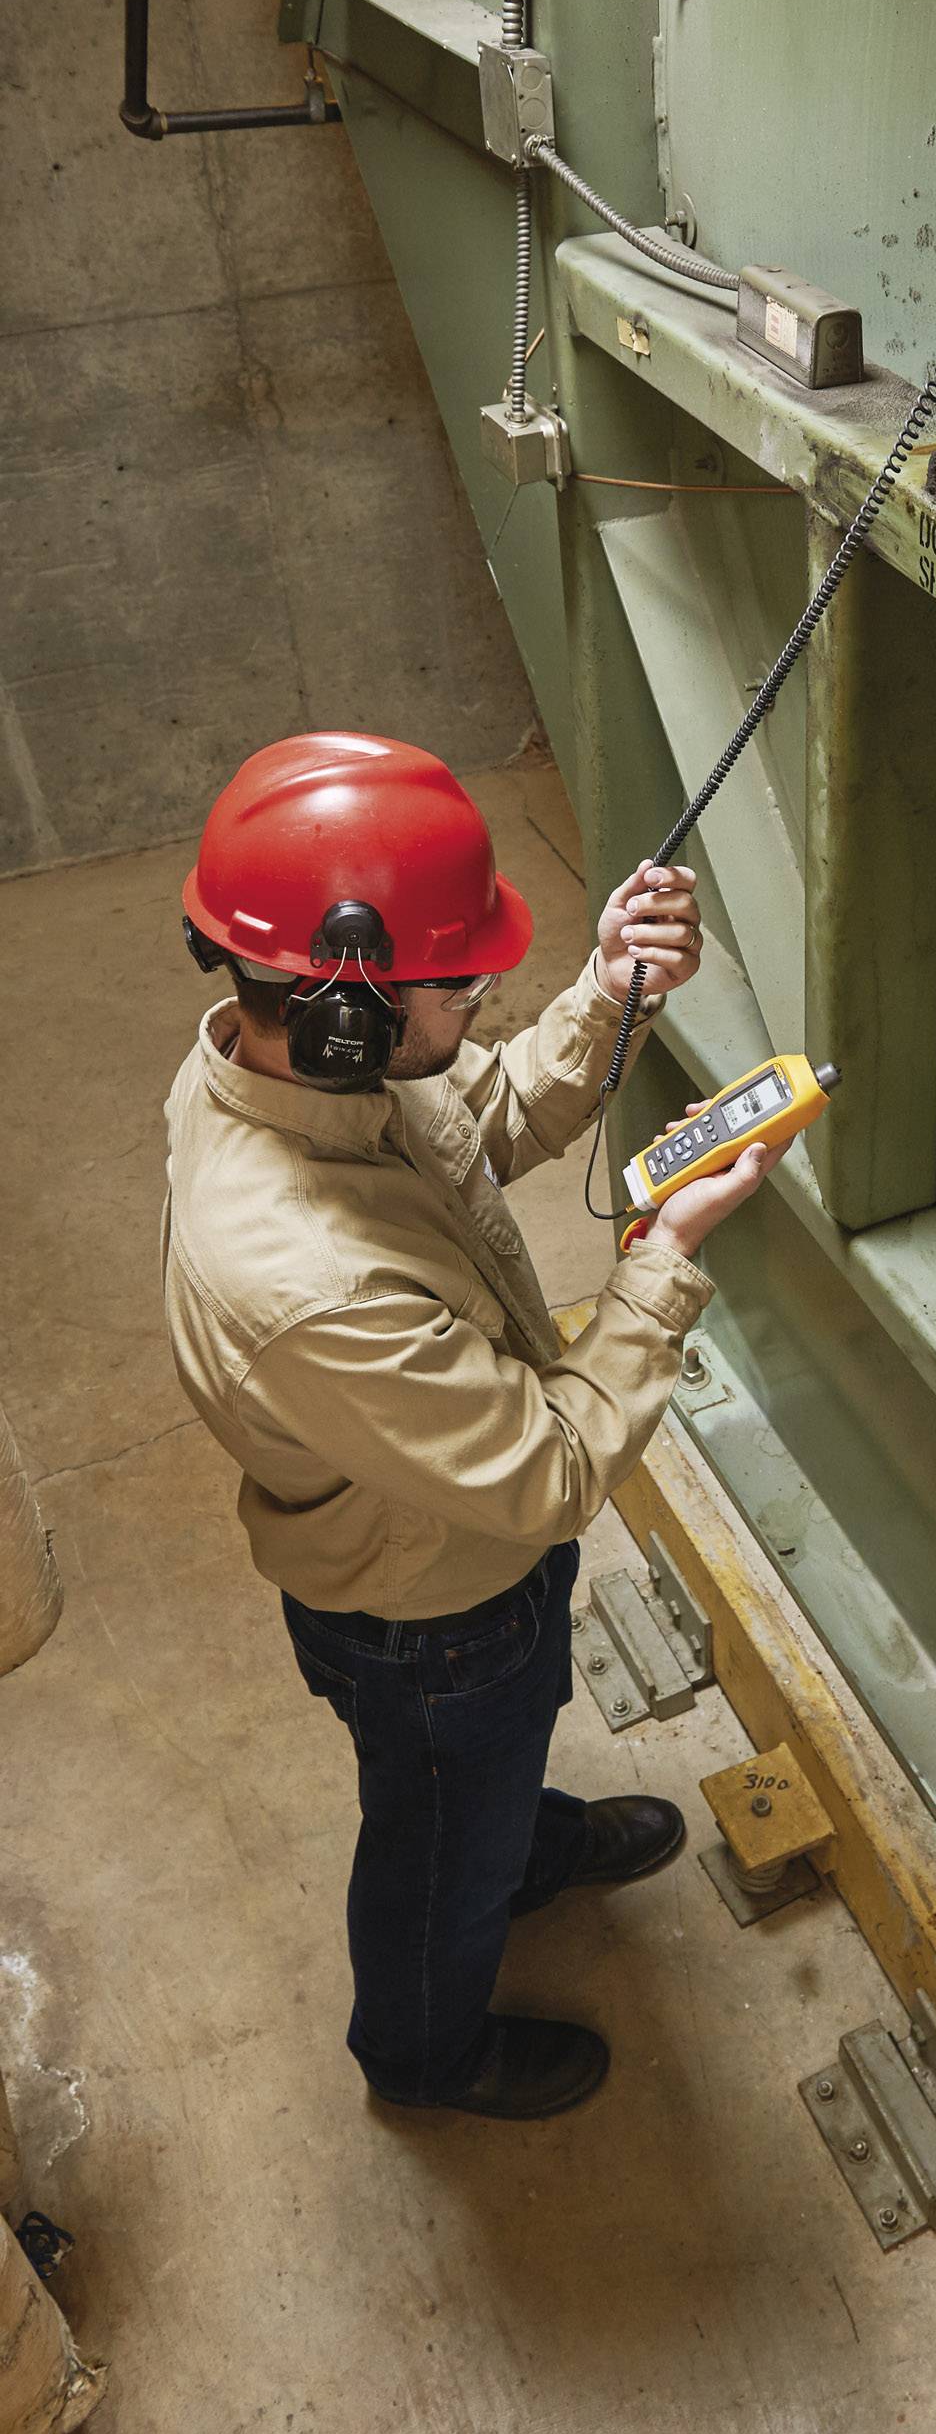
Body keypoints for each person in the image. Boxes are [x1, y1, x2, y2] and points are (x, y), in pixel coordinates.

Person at [162, 732, 782, 2120]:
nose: (483, 991)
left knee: (485, 1783)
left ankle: (516, 1847)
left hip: (446, 1555)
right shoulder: (304, 1283)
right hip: (429, 1619)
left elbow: (471, 1115)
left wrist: (605, 995)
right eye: (460, 981)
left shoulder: (283, 1067)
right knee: (436, 1832)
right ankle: (426, 2053)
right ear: (349, 1014)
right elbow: (550, 1470)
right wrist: (665, 1251)